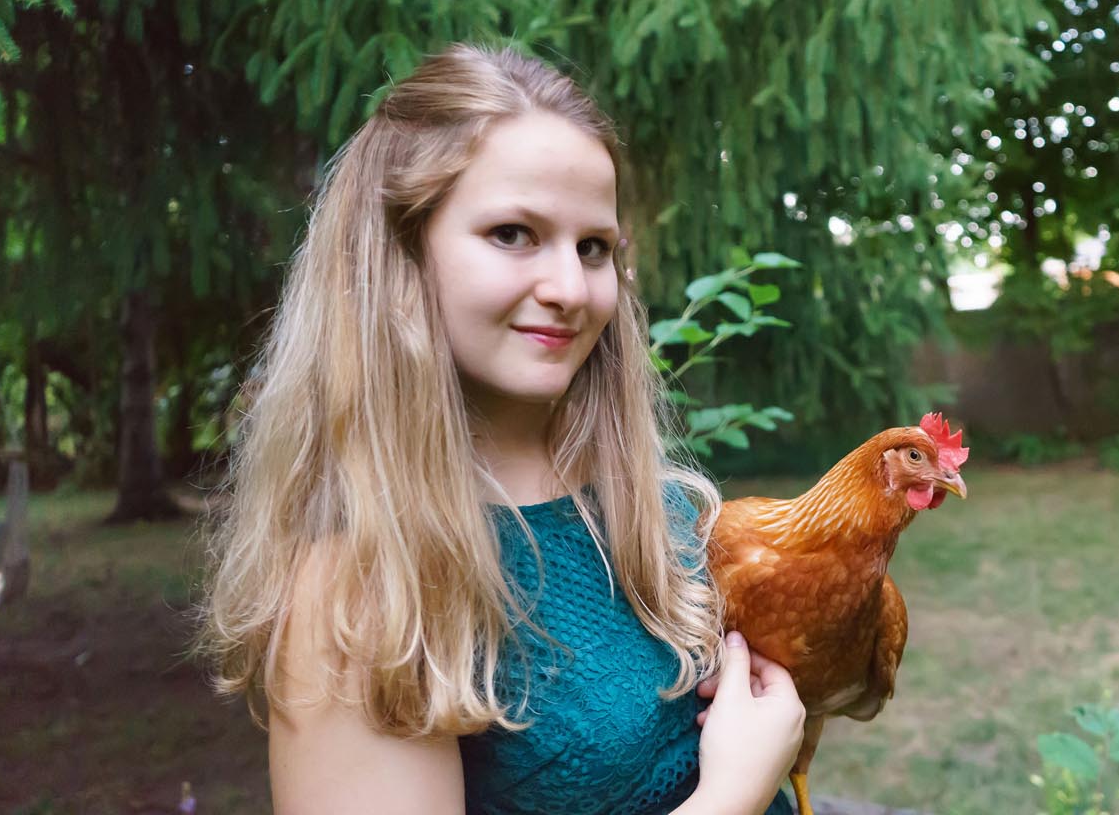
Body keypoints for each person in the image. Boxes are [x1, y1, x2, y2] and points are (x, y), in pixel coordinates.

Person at [198, 44, 805, 814]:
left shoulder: (652, 506)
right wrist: (737, 791)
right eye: (514, 233)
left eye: (594, 248)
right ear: (399, 253)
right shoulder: (359, 587)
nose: (569, 288)